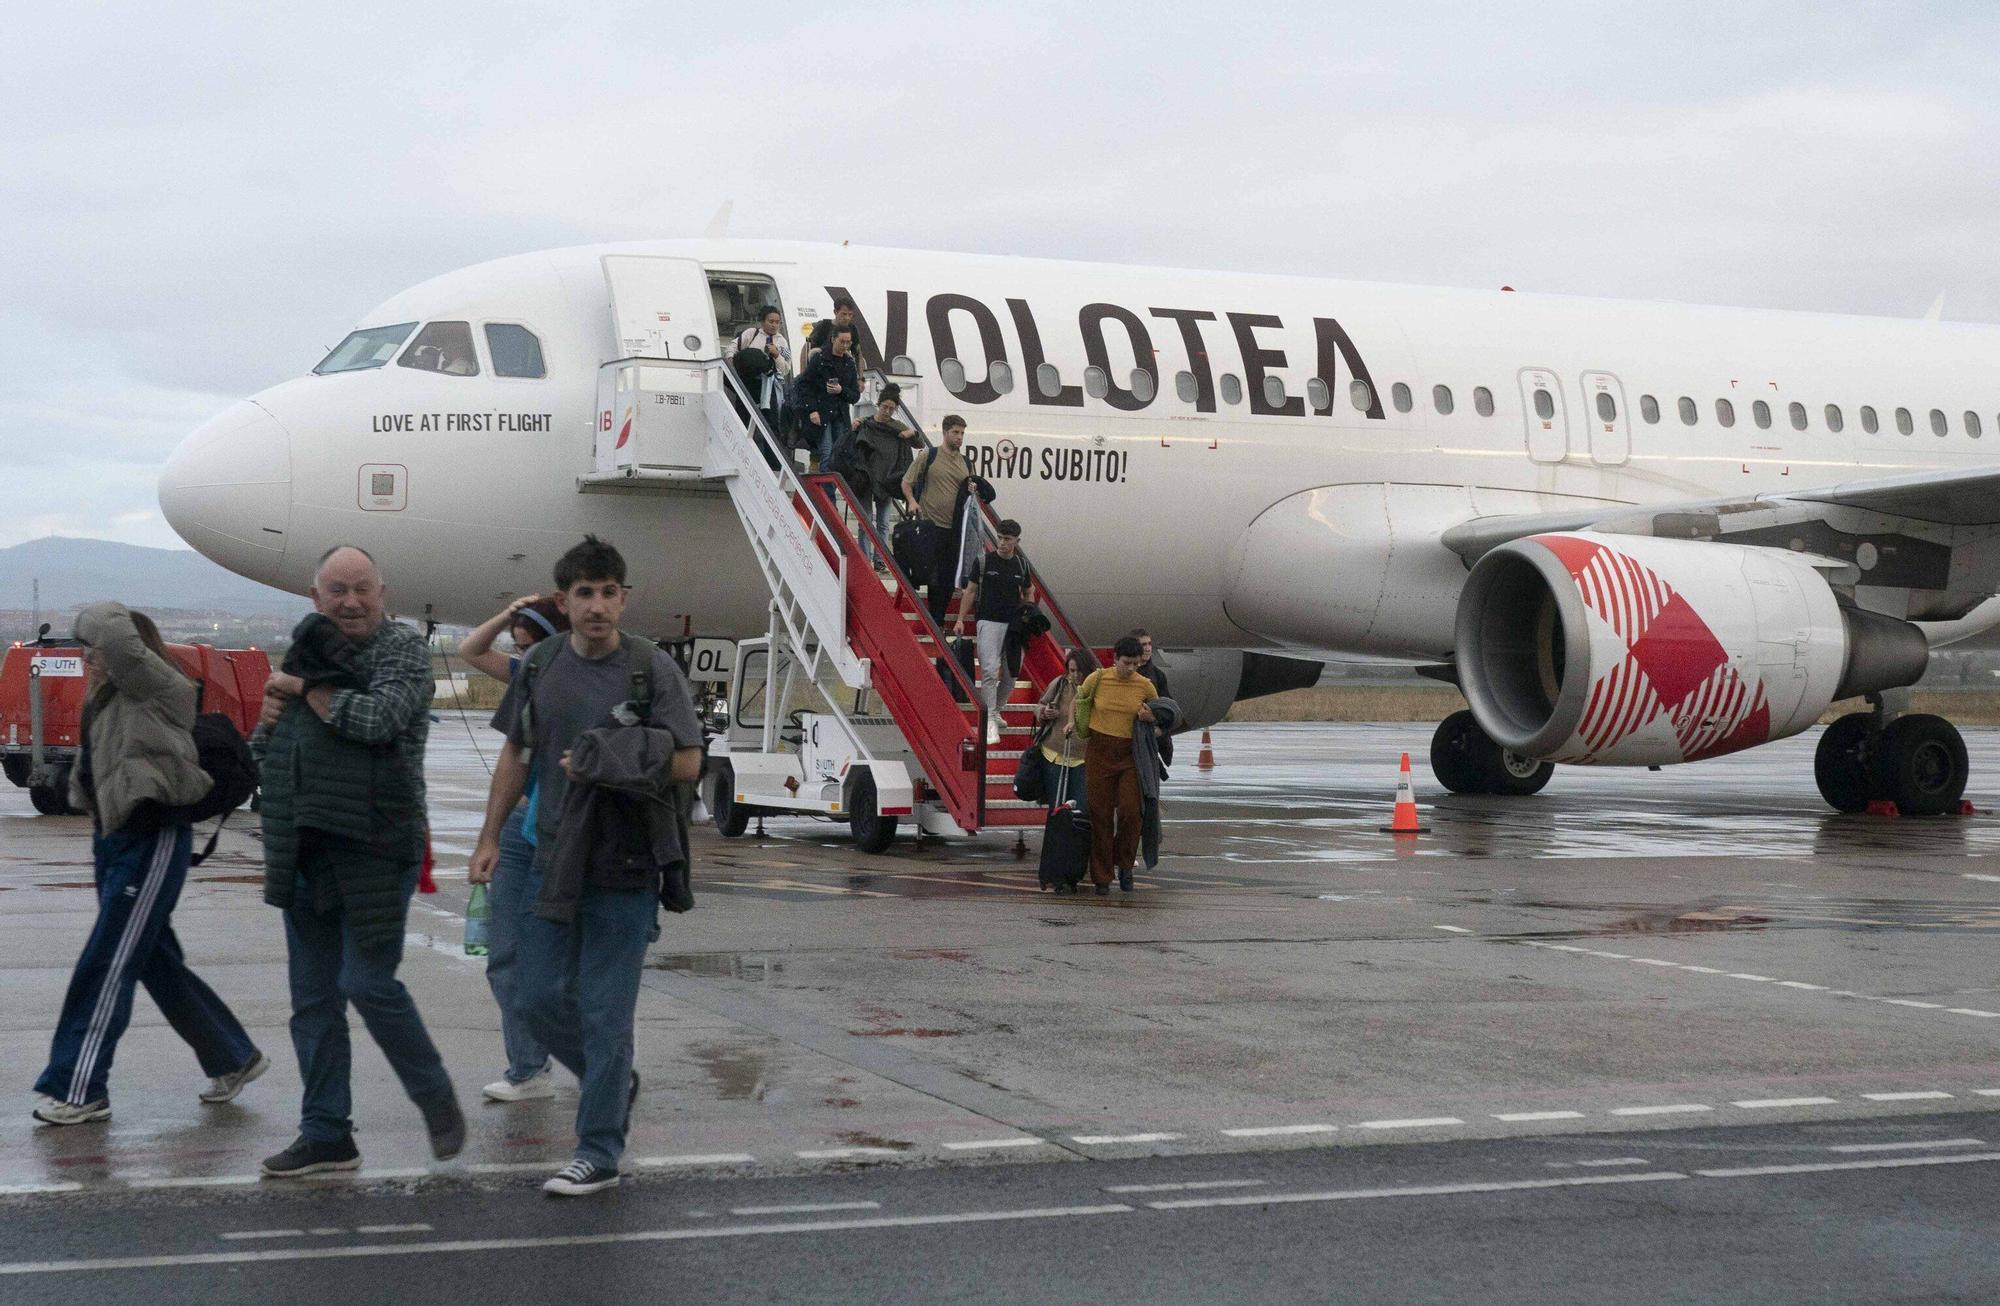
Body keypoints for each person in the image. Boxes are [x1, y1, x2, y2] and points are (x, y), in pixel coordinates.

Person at [470, 536, 703, 1198]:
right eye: (584, 594)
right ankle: (612, 1079)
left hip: (626, 862)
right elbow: (516, 753)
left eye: (608, 593)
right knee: (534, 996)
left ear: (623, 599)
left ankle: (597, 1150)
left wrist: (611, 757)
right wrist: (489, 838)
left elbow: (690, 761)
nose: (597, 606)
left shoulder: (651, 668)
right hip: (551, 858)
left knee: (605, 1012)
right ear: (563, 600)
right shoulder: (540, 664)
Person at [254, 545, 463, 1178]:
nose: (350, 602)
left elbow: (376, 719)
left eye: (362, 589)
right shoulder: (305, 650)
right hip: (308, 846)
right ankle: (326, 1134)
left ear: (382, 593)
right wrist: (268, 721)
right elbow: (268, 751)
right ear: (315, 597)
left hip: (377, 846)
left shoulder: (402, 651)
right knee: (313, 1002)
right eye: (337, 591)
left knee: (367, 983)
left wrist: (304, 689)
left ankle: (434, 1095)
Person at [30, 604, 266, 1126]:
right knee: (153, 960)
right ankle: (232, 1056)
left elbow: (113, 634)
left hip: (151, 839)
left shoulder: (160, 686)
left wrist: (88, 621)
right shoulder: (108, 696)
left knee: (107, 962)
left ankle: (79, 1087)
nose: (88, 656)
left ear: (127, 649)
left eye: (94, 648)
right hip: (114, 838)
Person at [457, 595, 572, 1104]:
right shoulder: (529, 672)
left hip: (564, 828)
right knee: (504, 952)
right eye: (518, 646)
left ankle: (596, 1055)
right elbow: (470, 649)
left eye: (529, 643)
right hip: (520, 822)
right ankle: (528, 1068)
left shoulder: (587, 678)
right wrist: (508, 614)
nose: (522, 654)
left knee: (556, 959)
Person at [1074, 635, 1158, 895]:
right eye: (1126, 663)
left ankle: (1125, 865)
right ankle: (1102, 876)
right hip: (1100, 751)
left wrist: (1151, 717)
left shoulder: (1145, 685)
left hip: (1131, 755)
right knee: (1100, 815)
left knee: (1131, 812)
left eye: (1136, 664)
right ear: (1115, 659)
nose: (1131, 668)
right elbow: (1079, 701)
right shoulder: (1097, 679)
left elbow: (1161, 716)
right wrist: (1072, 723)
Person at [955, 519, 1036, 745]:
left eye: (1007, 539)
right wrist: (960, 619)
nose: (1002, 543)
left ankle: (997, 709)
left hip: (1014, 624)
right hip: (988, 621)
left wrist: (1029, 611)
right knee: (989, 670)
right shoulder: (983, 562)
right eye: (999, 538)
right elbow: (970, 591)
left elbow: (1029, 590)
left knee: (1012, 672)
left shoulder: (1021, 566)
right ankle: (989, 716)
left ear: (1017, 541)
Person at [901, 414, 973, 624]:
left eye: (962, 433)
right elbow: (906, 482)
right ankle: (935, 620)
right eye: (955, 432)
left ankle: (938, 619)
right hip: (931, 525)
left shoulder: (966, 463)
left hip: (955, 528)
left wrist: (973, 489)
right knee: (933, 576)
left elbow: (971, 492)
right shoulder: (929, 456)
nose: (959, 437)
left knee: (949, 578)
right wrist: (912, 501)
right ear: (945, 432)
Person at [851, 384, 918, 568]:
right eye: (884, 407)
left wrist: (912, 433)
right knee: (865, 522)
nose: (887, 411)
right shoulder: (866, 423)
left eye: (891, 409)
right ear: (878, 405)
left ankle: (880, 560)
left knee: (883, 523)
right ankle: (865, 560)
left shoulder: (897, 427)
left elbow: (918, 443)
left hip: (887, 481)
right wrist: (856, 425)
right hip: (866, 479)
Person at [1032, 647, 1093, 816]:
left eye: (1080, 671)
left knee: (1081, 810)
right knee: (1056, 809)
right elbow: (1040, 705)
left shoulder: (1096, 688)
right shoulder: (1059, 683)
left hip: (1084, 758)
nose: (1076, 675)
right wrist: (1044, 712)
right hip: (1055, 754)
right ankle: (1056, 833)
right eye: (1072, 671)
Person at [797, 323, 860, 471]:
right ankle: (826, 486)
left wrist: (841, 390)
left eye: (848, 342)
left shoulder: (849, 363)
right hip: (821, 412)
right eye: (842, 341)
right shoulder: (819, 359)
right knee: (826, 451)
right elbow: (804, 385)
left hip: (840, 414)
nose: (845, 346)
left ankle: (832, 483)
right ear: (833, 339)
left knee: (839, 454)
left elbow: (855, 395)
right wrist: (812, 410)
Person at [732, 305, 792, 380]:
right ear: (762, 322)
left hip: (770, 383)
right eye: (771, 322)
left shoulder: (782, 341)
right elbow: (733, 347)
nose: (774, 325)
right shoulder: (752, 333)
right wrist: (731, 362)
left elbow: (785, 371)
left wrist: (777, 355)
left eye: (777, 322)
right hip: (746, 379)